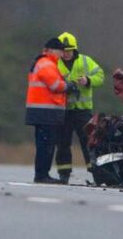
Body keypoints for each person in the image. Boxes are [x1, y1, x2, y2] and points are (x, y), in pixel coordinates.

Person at [25, 37, 78, 184]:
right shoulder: (47, 64)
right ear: (52, 50)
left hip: (42, 112)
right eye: (60, 50)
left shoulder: (43, 63)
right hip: (45, 112)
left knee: (45, 144)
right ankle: (42, 175)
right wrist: (69, 85)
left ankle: (42, 174)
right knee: (46, 145)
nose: (62, 54)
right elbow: (55, 85)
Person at [54, 32, 105, 184]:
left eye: (68, 50)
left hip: (82, 111)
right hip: (63, 110)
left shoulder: (85, 61)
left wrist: (88, 80)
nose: (66, 53)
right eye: (63, 50)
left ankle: (95, 172)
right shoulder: (55, 63)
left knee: (88, 142)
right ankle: (64, 174)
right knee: (62, 142)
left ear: (74, 49)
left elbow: (100, 76)